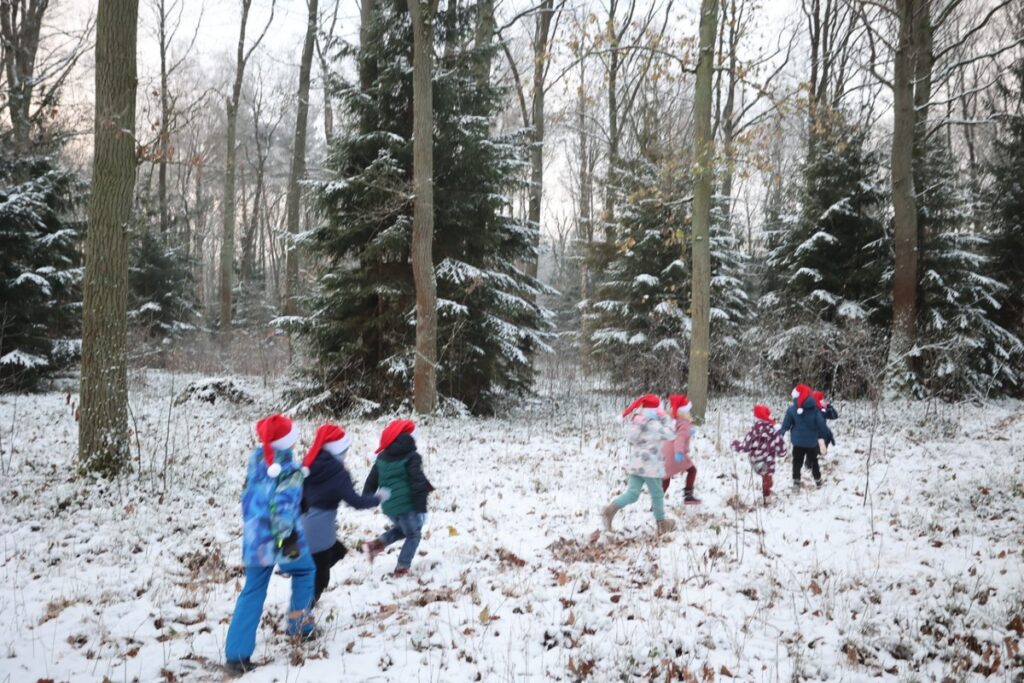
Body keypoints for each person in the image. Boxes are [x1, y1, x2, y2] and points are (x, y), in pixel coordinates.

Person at [224, 414, 315, 676]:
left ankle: (236, 657)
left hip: (255, 539)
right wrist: (287, 538)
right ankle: (300, 627)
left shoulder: (256, 462)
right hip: (282, 539)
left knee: (253, 590)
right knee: (305, 571)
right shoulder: (289, 471)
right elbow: (283, 506)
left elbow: (250, 498)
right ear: (287, 441)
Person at [301, 424, 388, 605]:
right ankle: (303, 611)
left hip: (302, 524)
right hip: (320, 532)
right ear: (338, 450)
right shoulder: (338, 474)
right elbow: (356, 502)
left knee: (338, 551)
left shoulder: (308, 464)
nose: (346, 454)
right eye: (345, 450)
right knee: (321, 578)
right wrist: (378, 498)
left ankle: (306, 577)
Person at [361, 420, 434, 576]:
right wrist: (421, 507)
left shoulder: (382, 456)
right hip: (406, 505)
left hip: (388, 505)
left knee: (403, 530)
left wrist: (366, 496)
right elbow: (417, 481)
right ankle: (402, 567)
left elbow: (372, 479)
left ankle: (376, 545)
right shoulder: (412, 457)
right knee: (414, 534)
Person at [601, 395, 678, 535]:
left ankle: (610, 510)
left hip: (636, 466)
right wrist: (665, 418)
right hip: (651, 468)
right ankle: (662, 523)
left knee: (632, 494)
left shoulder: (637, 423)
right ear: (656, 411)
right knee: (657, 494)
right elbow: (671, 434)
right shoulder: (655, 425)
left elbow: (631, 438)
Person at [777, 384, 831, 490]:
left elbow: (786, 425)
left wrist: (780, 433)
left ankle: (796, 482)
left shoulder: (792, 410)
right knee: (814, 461)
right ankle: (818, 481)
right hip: (811, 442)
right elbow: (821, 424)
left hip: (797, 442)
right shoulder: (815, 410)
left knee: (797, 462)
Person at [731, 404, 786, 504]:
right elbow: (780, 444)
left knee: (766, 478)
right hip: (768, 461)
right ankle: (767, 497)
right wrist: (782, 452)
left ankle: (767, 492)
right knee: (767, 478)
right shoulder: (773, 432)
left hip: (756, 460)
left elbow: (745, 446)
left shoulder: (753, 431)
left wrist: (735, 445)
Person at [661, 394, 700, 504]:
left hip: (666, 451)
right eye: (688, 410)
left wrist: (689, 431)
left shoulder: (675, 419)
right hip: (675, 452)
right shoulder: (684, 422)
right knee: (692, 470)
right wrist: (678, 452)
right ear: (684, 411)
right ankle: (688, 496)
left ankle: (656, 503)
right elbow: (680, 438)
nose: (690, 413)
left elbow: (677, 432)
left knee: (666, 478)